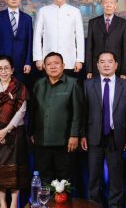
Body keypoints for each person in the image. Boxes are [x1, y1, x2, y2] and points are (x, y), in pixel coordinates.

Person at [81, 51, 126, 208]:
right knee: (94, 176)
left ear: (116, 65)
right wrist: (82, 135)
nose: (106, 65)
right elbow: (82, 112)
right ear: (97, 65)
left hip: (116, 136)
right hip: (94, 136)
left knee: (116, 176)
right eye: (102, 61)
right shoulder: (87, 84)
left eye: (110, 61)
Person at [29, 52, 85, 186]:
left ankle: (64, 201)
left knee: (64, 180)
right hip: (42, 141)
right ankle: (46, 200)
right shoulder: (38, 84)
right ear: (44, 67)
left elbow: (78, 112)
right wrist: (32, 132)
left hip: (64, 142)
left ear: (63, 65)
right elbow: (33, 110)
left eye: (56, 63)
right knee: (44, 178)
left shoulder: (73, 83)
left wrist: (74, 135)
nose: (53, 66)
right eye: (49, 64)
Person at [0, 55, 30, 208]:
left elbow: (22, 111)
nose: (3, 71)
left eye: (6, 68)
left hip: (14, 132)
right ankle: (2, 204)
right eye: (0, 68)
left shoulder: (20, 87)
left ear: (12, 70)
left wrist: (6, 130)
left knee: (15, 170)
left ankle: (13, 203)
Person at [33, 0, 84, 77]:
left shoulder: (75, 11)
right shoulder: (43, 11)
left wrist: (79, 60)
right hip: (48, 59)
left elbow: (80, 37)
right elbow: (37, 36)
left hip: (69, 60)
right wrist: (38, 58)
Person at [0, 0, 33, 83]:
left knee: (19, 89)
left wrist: (28, 62)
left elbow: (29, 42)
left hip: (21, 63)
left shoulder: (27, 19)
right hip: (2, 62)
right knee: (2, 89)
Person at [85, 0, 126, 79]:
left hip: (117, 69)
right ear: (102, 4)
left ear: (115, 5)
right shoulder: (93, 23)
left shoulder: (125, 24)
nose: (109, 5)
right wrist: (89, 70)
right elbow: (89, 48)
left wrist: (124, 71)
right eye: (106, 2)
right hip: (97, 68)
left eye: (111, 2)